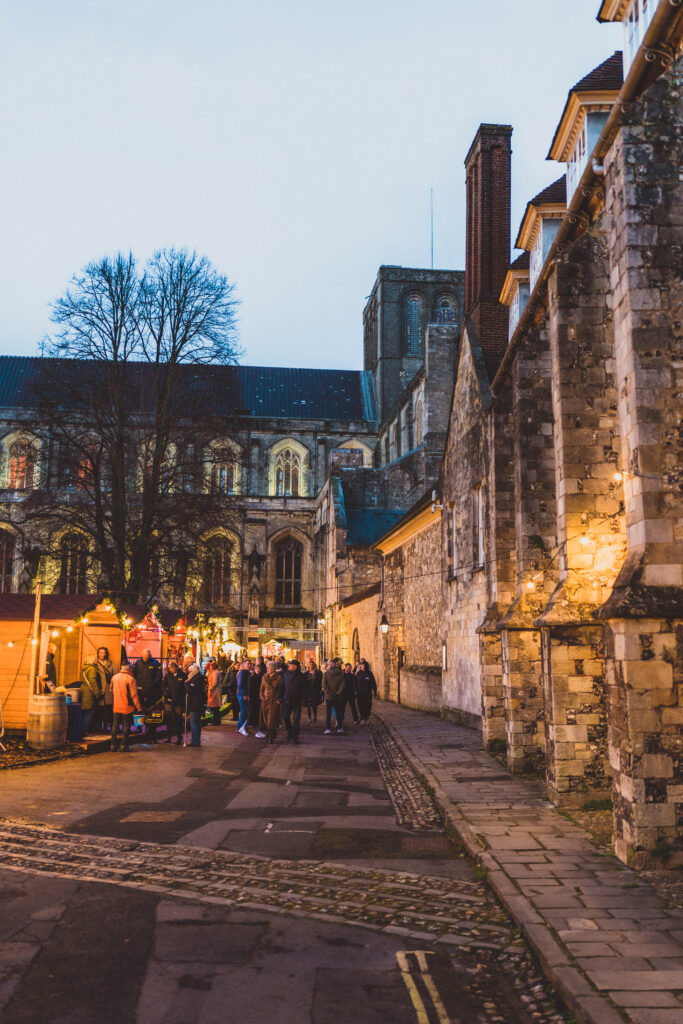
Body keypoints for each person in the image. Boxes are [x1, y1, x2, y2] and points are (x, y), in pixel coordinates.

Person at [134, 648, 162, 744]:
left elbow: (158, 677)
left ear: (150, 655)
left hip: (151, 693)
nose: (145, 658)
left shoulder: (155, 663)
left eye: (147, 656)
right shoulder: (138, 663)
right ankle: (138, 729)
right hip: (140, 691)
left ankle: (152, 733)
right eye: (144, 656)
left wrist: (151, 686)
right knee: (139, 710)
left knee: (150, 712)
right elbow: (134, 674)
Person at [111, 663, 141, 752]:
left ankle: (113, 745)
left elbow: (111, 690)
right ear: (128, 669)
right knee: (126, 725)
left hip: (116, 705)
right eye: (131, 668)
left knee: (115, 725)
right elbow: (134, 695)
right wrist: (138, 707)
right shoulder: (131, 679)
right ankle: (124, 745)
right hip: (127, 707)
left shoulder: (114, 677)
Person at [162, 659, 186, 745]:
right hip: (169, 701)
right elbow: (163, 686)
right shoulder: (167, 676)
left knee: (178, 720)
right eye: (170, 668)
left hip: (178, 701)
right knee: (169, 719)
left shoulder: (182, 675)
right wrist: (166, 694)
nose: (171, 670)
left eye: (172, 668)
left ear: (176, 667)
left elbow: (184, 688)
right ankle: (169, 737)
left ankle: (179, 737)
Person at [259, 660, 283, 744]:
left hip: (274, 701)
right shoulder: (264, 677)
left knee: (272, 719)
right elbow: (261, 688)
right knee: (266, 719)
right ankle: (272, 732)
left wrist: (279, 699)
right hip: (266, 700)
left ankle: (271, 736)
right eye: (267, 668)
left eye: (269, 668)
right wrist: (262, 696)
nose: (267, 669)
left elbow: (281, 690)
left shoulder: (279, 678)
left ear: (273, 668)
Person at [79, 653, 102, 736]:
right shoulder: (92, 669)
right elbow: (93, 682)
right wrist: (97, 693)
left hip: (84, 691)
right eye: (96, 659)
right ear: (92, 660)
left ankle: (81, 731)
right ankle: (84, 732)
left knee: (84, 712)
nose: (97, 660)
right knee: (89, 713)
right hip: (89, 693)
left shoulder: (84, 668)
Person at [282, 659, 305, 743]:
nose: (289, 666)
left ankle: (295, 736)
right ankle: (290, 731)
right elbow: (282, 686)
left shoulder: (301, 676)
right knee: (285, 717)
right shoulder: (286, 674)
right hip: (287, 699)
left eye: (291, 665)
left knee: (296, 719)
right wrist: (280, 697)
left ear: (295, 667)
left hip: (296, 700)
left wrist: (304, 700)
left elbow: (304, 689)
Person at [184, 662, 206, 747]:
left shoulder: (197, 678)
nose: (188, 673)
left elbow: (191, 689)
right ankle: (196, 740)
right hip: (197, 702)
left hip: (196, 703)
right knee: (196, 722)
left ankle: (195, 741)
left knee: (193, 722)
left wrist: (187, 684)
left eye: (190, 671)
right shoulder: (198, 677)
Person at [322, 659, 346, 735]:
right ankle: (339, 727)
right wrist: (338, 692)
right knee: (338, 712)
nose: (327, 666)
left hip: (329, 696)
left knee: (328, 713)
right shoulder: (341, 673)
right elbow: (343, 684)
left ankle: (328, 728)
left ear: (331, 665)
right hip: (338, 696)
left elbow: (324, 685)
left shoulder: (326, 674)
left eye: (328, 665)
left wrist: (329, 693)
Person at [95, 646, 114, 732]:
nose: (100, 654)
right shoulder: (95, 663)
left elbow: (115, 675)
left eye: (103, 653)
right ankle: (99, 726)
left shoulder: (111, 664)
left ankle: (106, 726)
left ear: (106, 654)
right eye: (99, 652)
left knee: (107, 709)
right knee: (99, 709)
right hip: (99, 689)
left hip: (108, 689)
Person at [249, 656, 266, 735]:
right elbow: (250, 688)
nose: (258, 670)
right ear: (254, 669)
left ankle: (257, 724)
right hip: (254, 697)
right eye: (257, 669)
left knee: (258, 711)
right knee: (254, 711)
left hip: (258, 696)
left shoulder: (261, 677)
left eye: (259, 669)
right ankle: (254, 725)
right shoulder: (252, 677)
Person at [236, 658, 252, 736]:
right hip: (242, 694)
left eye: (250, 664)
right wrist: (245, 694)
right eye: (248, 664)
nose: (249, 665)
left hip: (244, 694)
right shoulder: (242, 672)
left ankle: (241, 727)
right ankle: (240, 727)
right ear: (244, 664)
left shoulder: (247, 672)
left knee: (245, 711)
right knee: (244, 711)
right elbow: (240, 684)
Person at [304, 660, 323, 724]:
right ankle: (309, 718)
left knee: (314, 705)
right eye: (310, 664)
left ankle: (315, 716)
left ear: (314, 665)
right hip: (308, 691)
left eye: (312, 664)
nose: (311, 666)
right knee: (308, 705)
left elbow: (320, 682)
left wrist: (320, 690)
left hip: (315, 691)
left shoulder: (318, 673)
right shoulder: (306, 673)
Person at [206, 660, 223, 726]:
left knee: (215, 707)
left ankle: (215, 721)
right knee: (216, 707)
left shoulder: (215, 673)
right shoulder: (215, 672)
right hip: (216, 691)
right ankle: (217, 721)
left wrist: (210, 688)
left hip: (215, 691)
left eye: (210, 666)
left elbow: (214, 683)